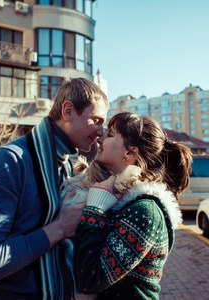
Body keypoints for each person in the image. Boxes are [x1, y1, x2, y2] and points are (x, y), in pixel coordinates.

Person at [0, 77, 109, 300]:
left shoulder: (69, 166)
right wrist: (59, 228)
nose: (101, 131)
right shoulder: (11, 161)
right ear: (68, 111)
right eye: (96, 120)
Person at [73, 112, 193, 299]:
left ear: (130, 152)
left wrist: (94, 209)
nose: (100, 138)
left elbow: (90, 280)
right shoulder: (121, 201)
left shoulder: (145, 212)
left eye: (110, 134)